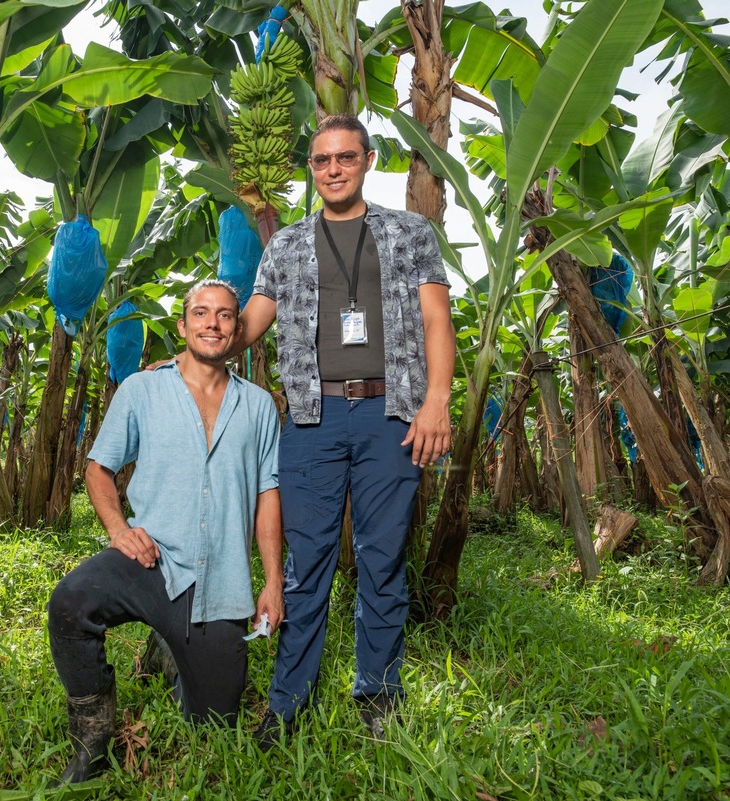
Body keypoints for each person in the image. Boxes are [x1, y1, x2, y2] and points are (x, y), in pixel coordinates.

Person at [238, 114, 455, 744]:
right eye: (321, 160)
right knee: (308, 565)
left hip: (393, 415)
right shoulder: (285, 246)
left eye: (345, 158)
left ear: (367, 160)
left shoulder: (410, 233)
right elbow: (251, 322)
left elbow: (437, 321)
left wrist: (436, 401)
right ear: (312, 169)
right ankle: (287, 703)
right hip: (313, 417)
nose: (333, 169)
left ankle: (378, 696)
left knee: (383, 561)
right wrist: (200, 347)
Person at [46, 280, 284, 784]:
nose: (211, 324)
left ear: (237, 329)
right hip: (148, 560)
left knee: (213, 722)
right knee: (70, 601)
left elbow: (267, 496)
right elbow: (98, 468)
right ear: (182, 326)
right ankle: (93, 737)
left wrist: (271, 580)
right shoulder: (142, 389)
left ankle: (171, 649)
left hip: (218, 583)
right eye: (200, 313)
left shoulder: (260, 406)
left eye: (223, 316)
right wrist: (117, 529)